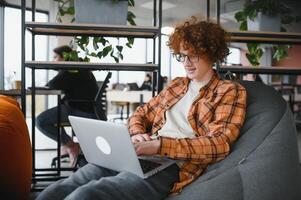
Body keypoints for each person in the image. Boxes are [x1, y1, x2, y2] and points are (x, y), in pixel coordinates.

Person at [37, 17, 247, 200]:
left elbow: (219, 144)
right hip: (138, 152)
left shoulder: (229, 91)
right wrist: (137, 133)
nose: (186, 62)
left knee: (90, 193)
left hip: (172, 163)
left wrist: (158, 146)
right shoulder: (177, 85)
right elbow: (140, 114)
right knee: (65, 185)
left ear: (212, 53)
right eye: (182, 55)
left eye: (194, 55)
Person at [36, 45, 99, 167]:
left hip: (79, 110)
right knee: (51, 116)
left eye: (55, 57)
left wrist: (60, 68)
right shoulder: (78, 67)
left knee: (41, 121)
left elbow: (52, 84)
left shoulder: (72, 68)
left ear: (64, 57)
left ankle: (70, 146)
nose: (53, 60)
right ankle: (67, 145)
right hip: (84, 108)